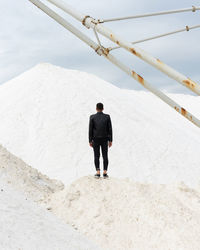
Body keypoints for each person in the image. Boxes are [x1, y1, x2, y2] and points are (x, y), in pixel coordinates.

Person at [89, 103, 113, 179]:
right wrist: (110, 140)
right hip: (105, 138)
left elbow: (90, 129)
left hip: (95, 139)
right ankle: (105, 173)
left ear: (96, 108)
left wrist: (90, 140)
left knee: (96, 155)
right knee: (105, 155)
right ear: (103, 108)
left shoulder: (92, 117)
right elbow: (110, 129)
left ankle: (98, 172)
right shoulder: (107, 117)